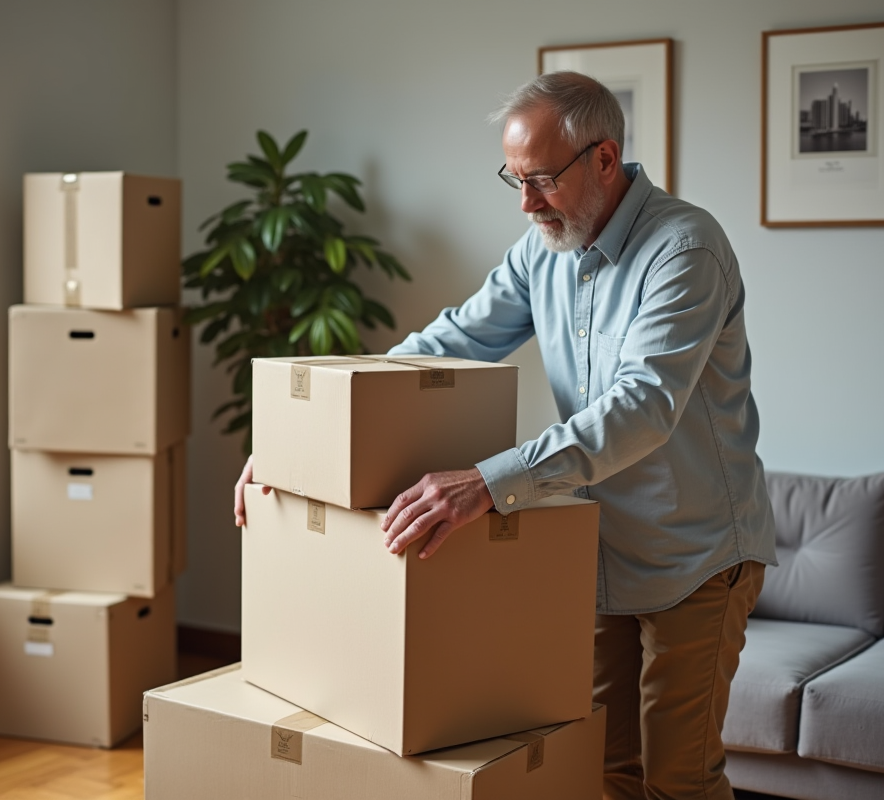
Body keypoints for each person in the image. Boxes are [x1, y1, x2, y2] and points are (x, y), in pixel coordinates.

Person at [236, 71, 776, 800]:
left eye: (543, 180)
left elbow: (642, 407)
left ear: (605, 160)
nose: (527, 203)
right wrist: (303, 436)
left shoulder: (685, 250)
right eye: (514, 180)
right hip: (599, 549)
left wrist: (489, 482)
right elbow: (444, 346)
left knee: (679, 779)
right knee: (606, 768)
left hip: (700, 555)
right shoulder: (541, 250)